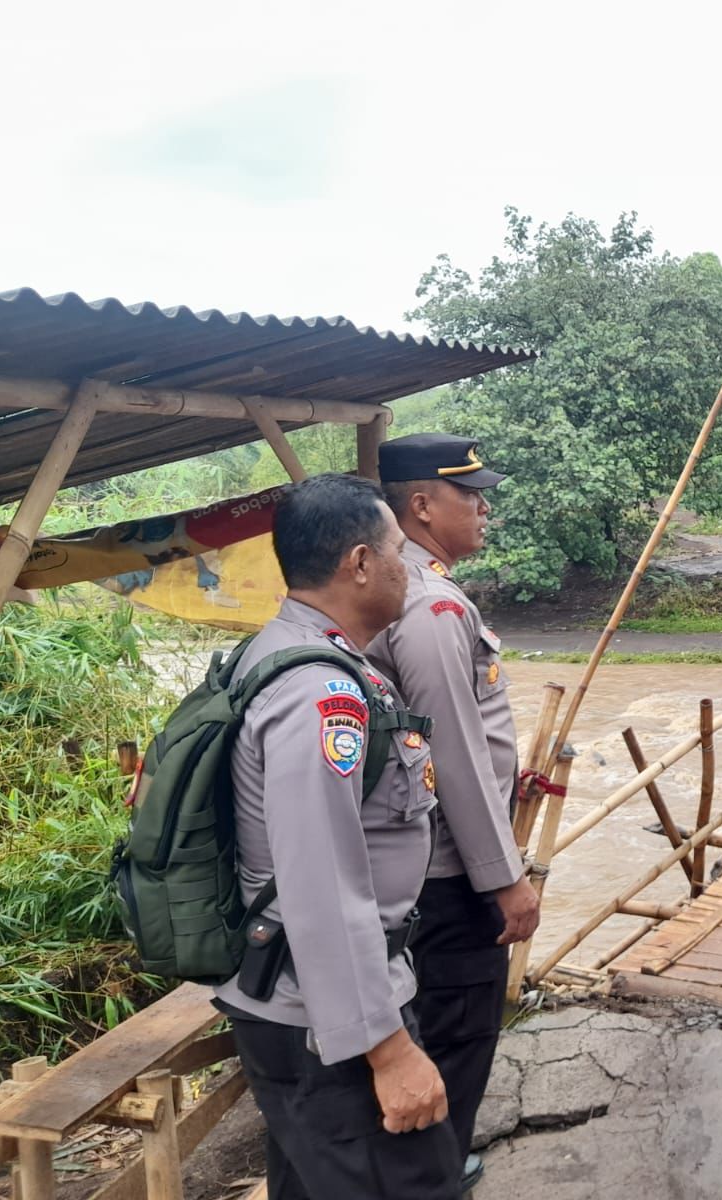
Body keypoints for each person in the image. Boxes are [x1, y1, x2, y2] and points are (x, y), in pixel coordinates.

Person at [214, 472, 460, 1199]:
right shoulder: (319, 696)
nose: (406, 567)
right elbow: (320, 882)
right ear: (358, 563)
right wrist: (388, 1050)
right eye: (395, 550)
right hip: (327, 1020)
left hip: (307, 1000)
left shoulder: (286, 652)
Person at [367, 434, 538, 1194]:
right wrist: (503, 877)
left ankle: (426, 1165)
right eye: (472, 495)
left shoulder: (408, 588)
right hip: (447, 874)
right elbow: (454, 754)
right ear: (423, 505)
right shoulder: (430, 603)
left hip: (424, 865)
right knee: (458, 1029)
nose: (485, 507)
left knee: (435, 1022)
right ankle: (433, 1174)